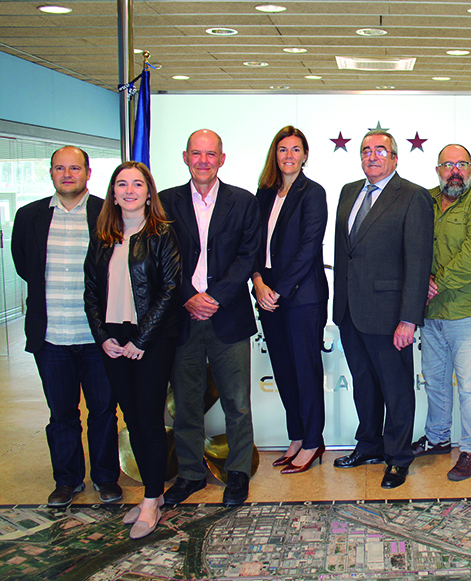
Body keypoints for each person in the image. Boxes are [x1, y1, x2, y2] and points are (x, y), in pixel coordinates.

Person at [11, 146, 122, 508]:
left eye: (75, 168)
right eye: (60, 168)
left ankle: (106, 478)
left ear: (88, 173)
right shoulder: (29, 216)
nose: (67, 174)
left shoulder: (108, 213)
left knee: (103, 411)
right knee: (61, 415)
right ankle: (67, 480)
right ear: (51, 173)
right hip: (51, 337)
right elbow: (24, 266)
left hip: (97, 336)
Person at [159, 129, 261, 507]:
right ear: (185, 157)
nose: (203, 160)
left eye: (210, 154)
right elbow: (162, 256)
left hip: (227, 315)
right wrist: (189, 296)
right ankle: (190, 473)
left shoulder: (243, 202)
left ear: (222, 158)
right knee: (185, 402)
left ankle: (237, 472)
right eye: (196, 154)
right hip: (183, 317)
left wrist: (213, 297)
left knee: (237, 402)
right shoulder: (166, 202)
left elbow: (248, 255)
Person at [332, 130, 434, 490]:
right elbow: (345, 253)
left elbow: (418, 262)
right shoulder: (348, 192)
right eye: (366, 151)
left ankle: (398, 458)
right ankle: (369, 445)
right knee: (364, 385)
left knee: (396, 388)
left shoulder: (413, 196)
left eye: (380, 151)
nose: (372, 156)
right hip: (349, 310)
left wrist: (409, 318)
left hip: (390, 314)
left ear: (394, 158)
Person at [84, 162, 181, 539]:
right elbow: (91, 290)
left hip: (150, 340)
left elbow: (170, 290)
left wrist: (141, 340)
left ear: (148, 191)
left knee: (150, 420)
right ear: (112, 192)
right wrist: (101, 336)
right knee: (132, 420)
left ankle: (151, 500)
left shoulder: (161, 233)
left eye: (137, 184)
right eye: (121, 184)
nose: (129, 190)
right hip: (112, 338)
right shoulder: (104, 235)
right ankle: (150, 495)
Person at [412, 144, 471, 481]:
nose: (454, 170)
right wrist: (421, 285)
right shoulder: (425, 200)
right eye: (447, 164)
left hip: (468, 312)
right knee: (435, 381)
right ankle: (437, 438)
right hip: (432, 312)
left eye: (461, 164)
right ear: (437, 169)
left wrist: (434, 283)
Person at [252, 127, 328, 474]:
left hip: (301, 298)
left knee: (305, 371)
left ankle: (313, 441)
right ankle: (296, 436)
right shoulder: (265, 193)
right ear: (275, 154)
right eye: (283, 149)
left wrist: (277, 290)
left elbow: (308, 249)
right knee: (283, 371)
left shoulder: (313, 193)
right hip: (268, 295)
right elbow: (252, 245)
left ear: (305, 155)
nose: (289, 156)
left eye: (296, 149)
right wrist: (257, 283)